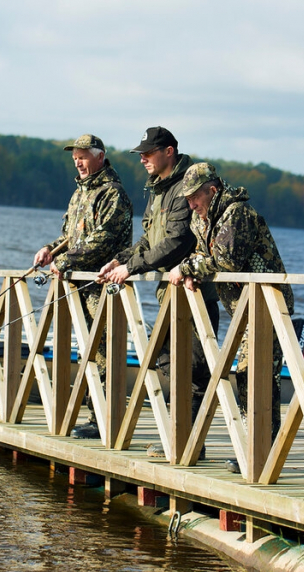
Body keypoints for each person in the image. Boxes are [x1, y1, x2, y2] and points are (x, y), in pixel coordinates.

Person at [168, 162, 295, 473]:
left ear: (212, 191)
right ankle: (257, 451)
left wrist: (186, 269)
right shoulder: (202, 221)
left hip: (268, 305)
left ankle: (260, 454)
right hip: (243, 309)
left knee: (258, 376)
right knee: (249, 375)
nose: (191, 204)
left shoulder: (237, 213)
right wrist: (192, 267)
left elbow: (226, 260)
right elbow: (201, 254)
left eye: (195, 197)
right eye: (187, 199)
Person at [98, 126, 220, 416]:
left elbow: (178, 242)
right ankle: (181, 438)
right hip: (170, 294)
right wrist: (120, 260)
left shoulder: (186, 186)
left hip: (195, 292)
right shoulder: (158, 188)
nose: (143, 159)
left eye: (148, 153)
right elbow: (149, 238)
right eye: (141, 154)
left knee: (195, 370)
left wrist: (132, 268)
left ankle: (190, 444)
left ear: (169, 152)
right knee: (164, 358)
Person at [33, 133, 133, 439]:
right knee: (85, 350)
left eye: (84, 156)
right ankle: (94, 416)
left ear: (100, 156)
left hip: (103, 285)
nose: (78, 162)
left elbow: (103, 239)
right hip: (79, 285)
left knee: (104, 351)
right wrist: (52, 250)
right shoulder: (79, 194)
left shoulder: (113, 193)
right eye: (75, 157)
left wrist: (65, 262)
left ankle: (104, 418)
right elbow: (72, 237)